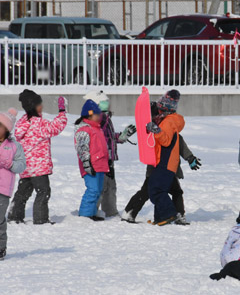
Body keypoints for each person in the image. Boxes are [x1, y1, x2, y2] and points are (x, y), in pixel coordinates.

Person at [8, 90, 68, 225]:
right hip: (38, 167)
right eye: (40, 103)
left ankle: (14, 216)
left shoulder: (22, 122)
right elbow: (55, 127)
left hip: (25, 167)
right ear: (34, 106)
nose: (42, 105)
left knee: (23, 193)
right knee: (43, 191)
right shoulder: (38, 123)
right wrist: (62, 111)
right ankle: (41, 219)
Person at [121, 132, 200, 224]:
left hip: (169, 170)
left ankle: (177, 216)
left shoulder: (172, 135)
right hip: (158, 170)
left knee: (174, 192)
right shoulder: (155, 134)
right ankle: (129, 213)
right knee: (148, 191)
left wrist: (190, 158)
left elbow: (182, 147)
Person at [83, 91, 136, 217]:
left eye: (107, 101)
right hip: (100, 159)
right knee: (99, 187)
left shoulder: (106, 118)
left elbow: (109, 137)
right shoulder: (96, 119)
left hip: (109, 159)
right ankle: (92, 212)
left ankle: (110, 211)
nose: (107, 103)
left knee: (111, 187)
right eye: (103, 101)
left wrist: (122, 136)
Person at [0, 108, 26, 260]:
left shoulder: (15, 147)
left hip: (1, 192)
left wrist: (8, 163)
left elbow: (22, 165)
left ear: (7, 129)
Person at [145, 90, 186, 226]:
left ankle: (169, 214)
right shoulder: (167, 119)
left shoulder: (169, 121)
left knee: (155, 190)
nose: (160, 105)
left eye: (163, 103)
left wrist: (156, 130)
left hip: (166, 161)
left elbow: (166, 141)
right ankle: (160, 217)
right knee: (157, 189)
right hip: (163, 160)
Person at [74, 100, 109, 221]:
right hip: (91, 165)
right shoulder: (84, 129)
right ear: (89, 114)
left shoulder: (97, 129)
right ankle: (85, 215)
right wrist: (86, 163)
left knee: (98, 190)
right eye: (97, 114)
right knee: (92, 190)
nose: (99, 116)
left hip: (100, 165)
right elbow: (82, 147)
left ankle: (92, 213)